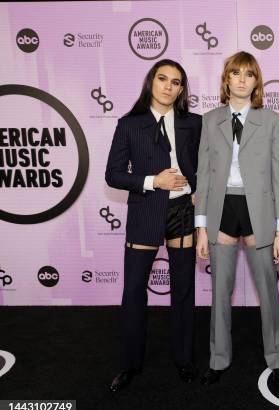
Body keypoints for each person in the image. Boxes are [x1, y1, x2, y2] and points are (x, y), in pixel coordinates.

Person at [194, 51, 279, 387]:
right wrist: (201, 227)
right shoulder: (209, 120)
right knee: (219, 291)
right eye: (235, 73)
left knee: (268, 290)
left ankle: (278, 358)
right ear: (226, 79)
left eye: (248, 74)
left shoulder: (273, 121)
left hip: (259, 211)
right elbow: (203, 176)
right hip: (222, 210)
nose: (241, 79)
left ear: (256, 81)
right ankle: (218, 359)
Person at [105, 59, 202, 392]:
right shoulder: (130, 124)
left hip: (183, 212)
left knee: (184, 289)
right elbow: (113, 174)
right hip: (146, 209)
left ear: (181, 89)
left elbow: (209, 165)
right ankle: (130, 364)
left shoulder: (194, 123)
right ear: (151, 81)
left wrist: (198, 191)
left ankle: (184, 359)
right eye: (163, 79)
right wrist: (152, 181)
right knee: (133, 291)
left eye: (176, 82)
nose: (168, 86)